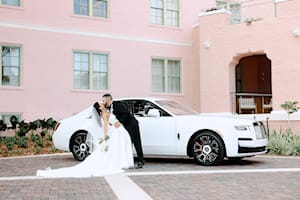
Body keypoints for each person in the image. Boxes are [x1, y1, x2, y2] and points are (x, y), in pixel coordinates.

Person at [36, 101, 134, 178]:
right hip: (114, 134)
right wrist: (106, 136)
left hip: (116, 132)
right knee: (110, 154)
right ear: (99, 108)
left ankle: (121, 161)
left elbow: (110, 123)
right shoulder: (104, 114)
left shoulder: (105, 113)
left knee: (113, 151)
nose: (103, 104)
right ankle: (120, 162)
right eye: (101, 104)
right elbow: (106, 126)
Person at [102, 93, 145, 169]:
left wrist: (120, 121)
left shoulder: (118, 104)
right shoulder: (107, 107)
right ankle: (128, 160)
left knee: (136, 142)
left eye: (103, 99)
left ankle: (141, 161)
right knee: (127, 143)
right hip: (123, 128)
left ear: (108, 99)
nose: (102, 101)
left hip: (131, 125)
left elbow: (126, 113)